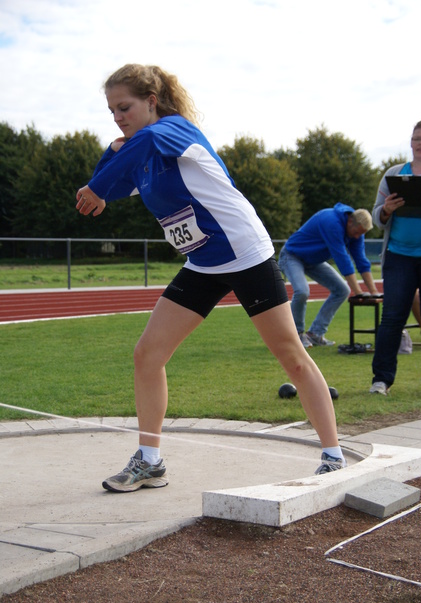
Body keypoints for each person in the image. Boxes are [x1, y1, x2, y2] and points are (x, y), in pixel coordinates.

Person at [76, 63, 346, 491]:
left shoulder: (174, 130)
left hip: (244, 253)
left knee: (291, 355)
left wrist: (108, 171)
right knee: (148, 354)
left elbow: (139, 144)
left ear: (152, 102)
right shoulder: (142, 158)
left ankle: (333, 457)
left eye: (124, 107)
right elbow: (107, 184)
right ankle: (150, 461)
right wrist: (110, 156)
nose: (117, 117)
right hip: (202, 262)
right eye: (110, 110)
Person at [369, 119, 421, 395]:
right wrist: (387, 209)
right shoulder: (394, 173)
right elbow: (377, 217)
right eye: (417, 138)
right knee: (392, 318)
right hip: (398, 256)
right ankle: (381, 380)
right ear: (411, 142)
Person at [278, 203, 380, 348]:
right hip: (292, 255)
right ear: (350, 221)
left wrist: (374, 292)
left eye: (361, 234)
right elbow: (342, 259)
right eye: (357, 232)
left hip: (313, 260)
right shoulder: (332, 222)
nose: (358, 236)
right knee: (302, 291)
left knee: (342, 290)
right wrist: (358, 292)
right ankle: (297, 334)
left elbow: (361, 261)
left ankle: (315, 334)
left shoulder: (357, 233)